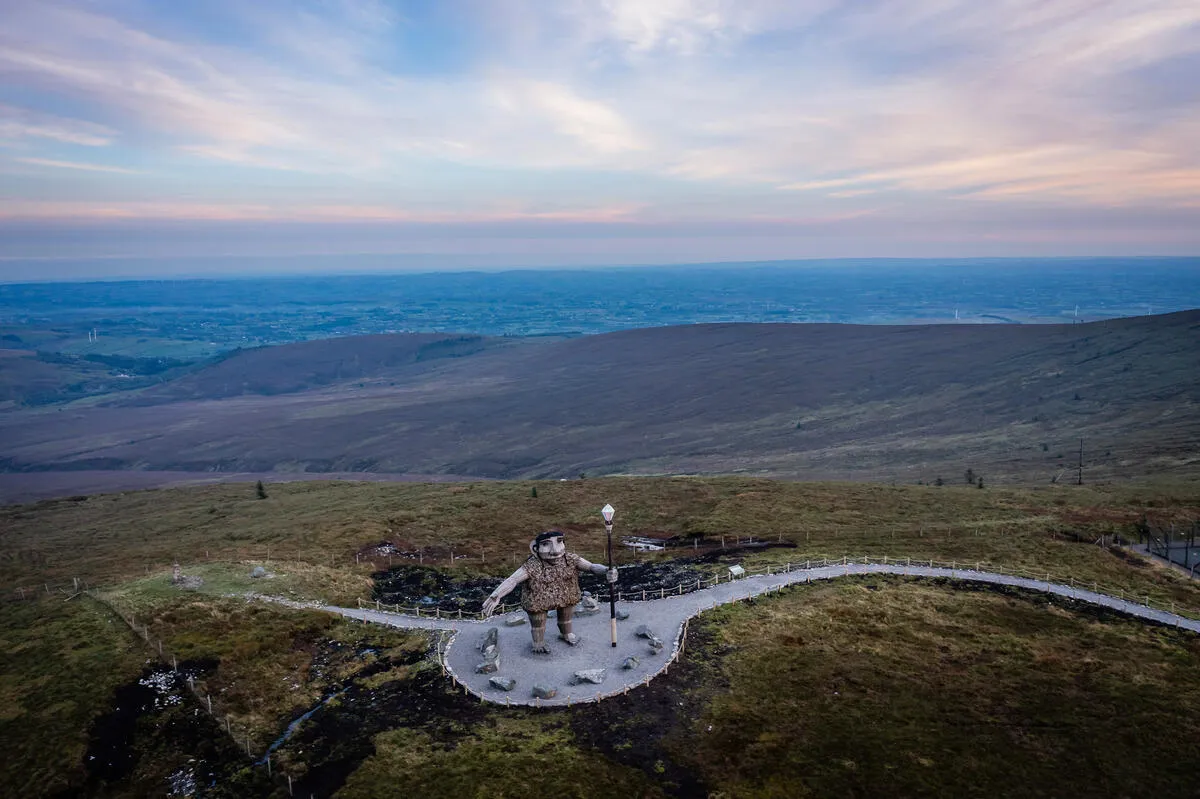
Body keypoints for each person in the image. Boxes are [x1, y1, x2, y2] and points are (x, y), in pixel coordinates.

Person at [482, 530, 618, 653]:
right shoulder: (533, 565)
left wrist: (606, 570)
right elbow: (513, 580)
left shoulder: (570, 559)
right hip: (538, 599)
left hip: (567, 595)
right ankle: (538, 643)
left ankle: (566, 634)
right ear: (536, 549)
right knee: (538, 623)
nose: (556, 550)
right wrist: (496, 595)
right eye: (546, 544)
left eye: (559, 542)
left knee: (566, 618)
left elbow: (592, 567)